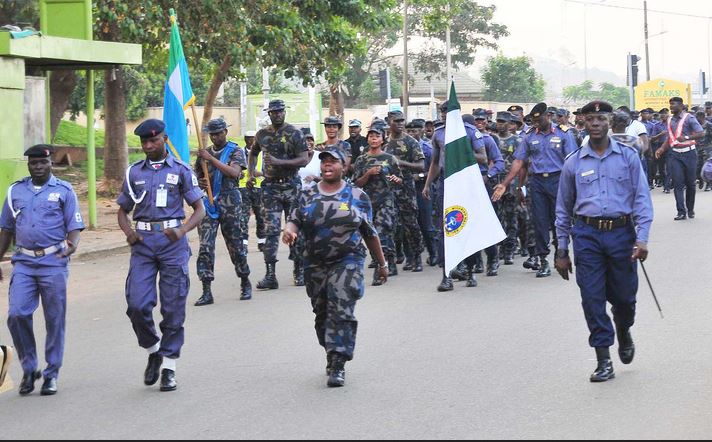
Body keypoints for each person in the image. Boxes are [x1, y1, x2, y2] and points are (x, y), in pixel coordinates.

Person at [555, 101, 653, 383]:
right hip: (587, 235)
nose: (595, 123)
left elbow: (641, 199)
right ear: (583, 123)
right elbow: (563, 209)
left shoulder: (627, 156)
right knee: (592, 298)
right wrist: (562, 249)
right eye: (590, 118)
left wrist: (642, 238)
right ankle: (603, 359)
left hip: (622, 234)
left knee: (624, 299)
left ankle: (623, 329)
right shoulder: (573, 162)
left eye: (600, 118)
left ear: (610, 121)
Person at [284, 149, 387, 388]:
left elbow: (369, 233)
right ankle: (331, 352)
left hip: (348, 260)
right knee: (322, 314)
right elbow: (295, 219)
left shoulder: (357, 196)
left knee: (341, 308)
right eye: (324, 162)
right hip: (315, 262)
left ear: (344, 166)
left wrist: (382, 264)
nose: (327, 166)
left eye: (333, 162)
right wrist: (290, 231)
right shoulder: (307, 194)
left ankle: (338, 361)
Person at [117, 119, 206, 392]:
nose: (148, 146)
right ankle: (154, 348)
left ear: (165, 139)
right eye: (144, 142)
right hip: (143, 244)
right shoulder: (134, 172)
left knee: (172, 306)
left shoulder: (180, 170)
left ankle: (169, 365)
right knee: (137, 304)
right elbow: (122, 210)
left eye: (153, 141)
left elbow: (199, 209)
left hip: (172, 244)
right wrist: (128, 232)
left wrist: (182, 230)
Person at [0, 145, 85, 396]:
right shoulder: (15, 190)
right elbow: (6, 228)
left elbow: (75, 226)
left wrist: (72, 246)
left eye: (42, 163)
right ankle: (29, 367)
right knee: (17, 314)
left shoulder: (64, 191)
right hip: (24, 263)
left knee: (54, 319)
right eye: (33, 163)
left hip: (53, 262)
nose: (38, 167)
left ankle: (51, 373)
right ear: (28, 165)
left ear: (51, 164)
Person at [492, 103, 578, 278]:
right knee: (539, 223)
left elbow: (572, 161)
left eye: (540, 120)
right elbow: (519, 162)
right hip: (537, 182)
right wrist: (508, 184)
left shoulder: (563, 133)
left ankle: (560, 253)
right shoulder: (530, 136)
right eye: (534, 121)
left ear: (548, 116)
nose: (537, 123)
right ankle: (543, 260)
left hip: (558, 181)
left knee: (559, 221)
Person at [424, 102, 488, 291]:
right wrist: (428, 184)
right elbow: (435, 162)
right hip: (446, 183)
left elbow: (483, 157)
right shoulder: (439, 133)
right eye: (442, 112)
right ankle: (447, 275)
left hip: (466, 182)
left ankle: (470, 270)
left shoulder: (469, 131)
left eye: (448, 111)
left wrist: (460, 150)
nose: (444, 115)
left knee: (467, 226)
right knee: (446, 229)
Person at [248, 99, 309, 288]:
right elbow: (253, 152)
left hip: (291, 186)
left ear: (284, 112)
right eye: (274, 112)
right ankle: (270, 275)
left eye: (280, 111)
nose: (277, 114)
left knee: (296, 228)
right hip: (270, 188)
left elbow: (304, 159)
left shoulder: (295, 133)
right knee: (271, 231)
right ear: (269, 114)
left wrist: (279, 162)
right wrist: (251, 173)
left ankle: (298, 271)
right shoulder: (262, 134)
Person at [194, 118, 252, 306]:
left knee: (235, 245)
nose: (215, 137)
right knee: (205, 246)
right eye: (212, 134)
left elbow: (235, 173)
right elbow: (197, 175)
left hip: (230, 201)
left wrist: (211, 159)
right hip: (210, 202)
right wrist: (200, 181)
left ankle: (244, 279)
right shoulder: (205, 153)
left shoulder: (235, 150)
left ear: (225, 132)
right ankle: (206, 289)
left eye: (218, 133)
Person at [351, 126, 403, 283]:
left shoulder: (390, 158)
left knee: (382, 230)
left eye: (377, 136)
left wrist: (395, 179)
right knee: (370, 233)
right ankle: (386, 261)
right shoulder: (361, 159)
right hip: (367, 201)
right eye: (371, 136)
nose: (373, 139)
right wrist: (368, 173)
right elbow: (356, 183)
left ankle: (382, 268)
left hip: (386, 200)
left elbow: (400, 181)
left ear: (382, 139)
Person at [384, 110, 426, 273]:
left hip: (406, 189)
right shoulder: (384, 142)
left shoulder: (410, 142)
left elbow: (421, 166)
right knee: (391, 226)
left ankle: (416, 257)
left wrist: (400, 162)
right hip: (387, 189)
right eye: (397, 121)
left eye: (402, 120)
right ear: (389, 121)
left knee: (411, 225)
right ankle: (394, 261)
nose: (400, 123)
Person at [655, 97, 705, 220]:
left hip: (689, 154)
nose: (671, 106)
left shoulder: (689, 118)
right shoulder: (669, 120)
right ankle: (681, 211)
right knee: (678, 183)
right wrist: (662, 148)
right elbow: (670, 137)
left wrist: (687, 137)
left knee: (690, 184)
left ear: (681, 105)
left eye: (674, 104)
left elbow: (701, 133)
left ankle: (690, 209)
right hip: (675, 154)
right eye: (670, 104)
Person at [408, 120, 438, 267]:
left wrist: (419, 177)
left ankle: (433, 253)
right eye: (409, 131)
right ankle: (413, 257)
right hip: (406, 190)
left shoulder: (427, 148)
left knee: (426, 224)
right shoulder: (403, 147)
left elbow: (436, 170)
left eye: (415, 131)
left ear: (421, 131)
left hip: (423, 188)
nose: (412, 134)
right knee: (408, 225)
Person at [495, 112, 523, 265]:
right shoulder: (492, 139)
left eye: (502, 122)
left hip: (511, 184)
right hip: (495, 183)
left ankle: (510, 249)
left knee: (511, 217)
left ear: (509, 123)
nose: (499, 124)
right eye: (498, 121)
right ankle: (500, 247)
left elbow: (521, 164)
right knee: (497, 217)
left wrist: (520, 186)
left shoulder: (517, 141)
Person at [239, 130, 266, 252]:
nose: (251, 141)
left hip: (258, 188)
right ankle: (244, 243)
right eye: (249, 138)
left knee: (260, 216)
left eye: (253, 139)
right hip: (243, 188)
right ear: (245, 139)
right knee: (243, 217)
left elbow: (269, 171)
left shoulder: (263, 154)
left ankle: (262, 241)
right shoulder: (239, 153)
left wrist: (259, 173)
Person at [695, 111, 712, 192]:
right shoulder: (695, 126)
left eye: (697, 117)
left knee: (707, 169)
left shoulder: (709, 125)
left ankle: (708, 184)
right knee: (697, 167)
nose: (696, 119)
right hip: (697, 149)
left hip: (707, 149)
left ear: (701, 117)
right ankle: (700, 179)